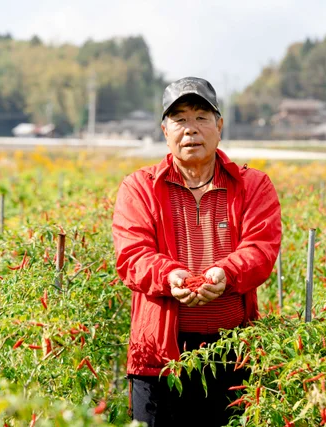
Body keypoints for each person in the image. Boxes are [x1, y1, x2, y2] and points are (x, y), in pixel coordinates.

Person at [112, 76, 282, 427]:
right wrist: (171, 276)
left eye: (201, 117)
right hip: (159, 358)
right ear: (165, 130)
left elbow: (261, 249)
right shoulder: (140, 187)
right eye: (180, 119)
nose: (191, 129)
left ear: (219, 127)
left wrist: (225, 273)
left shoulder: (253, 186)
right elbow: (133, 255)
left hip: (231, 355)